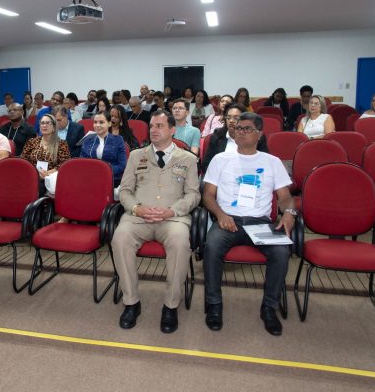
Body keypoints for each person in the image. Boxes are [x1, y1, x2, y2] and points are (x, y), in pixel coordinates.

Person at [202, 112, 296, 336]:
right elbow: (207, 196)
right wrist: (220, 214)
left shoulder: (272, 162)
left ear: (259, 134)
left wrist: (289, 212)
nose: (240, 132)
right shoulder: (221, 159)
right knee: (211, 247)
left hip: (260, 223)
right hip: (228, 220)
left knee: (281, 252)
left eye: (247, 129)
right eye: (238, 128)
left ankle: (269, 307)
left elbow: (285, 196)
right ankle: (214, 305)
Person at [112, 109, 200, 333]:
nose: (153, 130)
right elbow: (125, 191)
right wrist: (137, 209)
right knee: (119, 238)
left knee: (180, 243)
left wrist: (172, 211)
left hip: (173, 219)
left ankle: (170, 305)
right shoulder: (136, 155)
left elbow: (193, 194)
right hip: (138, 218)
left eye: (159, 126)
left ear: (172, 129)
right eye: (151, 126)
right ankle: (131, 302)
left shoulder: (188, 159)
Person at [203, 103, 269, 173]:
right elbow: (206, 164)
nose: (231, 121)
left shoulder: (255, 137)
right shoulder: (217, 137)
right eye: (228, 117)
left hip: (249, 177)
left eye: (236, 118)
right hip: (222, 178)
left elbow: (265, 162)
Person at [21, 113, 70, 195]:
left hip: (51, 177)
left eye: (48, 123)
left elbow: (64, 164)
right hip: (32, 175)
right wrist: (35, 173)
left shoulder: (61, 144)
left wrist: (47, 173)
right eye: (42, 123)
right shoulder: (32, 142)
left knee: (39, 186)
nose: (44, 125)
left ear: (54, 127)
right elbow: (24, 159)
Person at [80, 111, 127, 186]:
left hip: (111, 178)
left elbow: (122, 165)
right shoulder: (88, 139)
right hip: (90, 178)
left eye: (101, 122)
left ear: (109, 123)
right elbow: (82, 162)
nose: (97, 125)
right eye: (95, 122)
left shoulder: (118, 140)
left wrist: (104, 171)